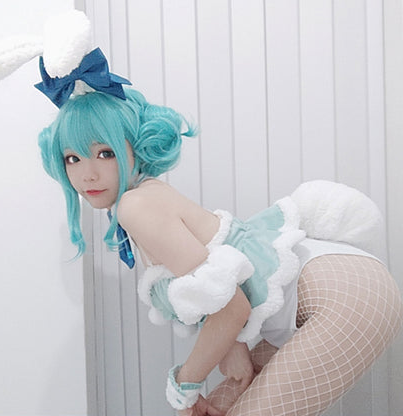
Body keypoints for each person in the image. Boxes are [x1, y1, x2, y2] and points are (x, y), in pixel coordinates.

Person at [36, 53, 402, 416]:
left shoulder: (135, 206)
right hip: (332, 289)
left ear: (134, 147)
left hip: (344, 296)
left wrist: (184, 384)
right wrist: (231, 348)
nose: (87, 174)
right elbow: (223, 295)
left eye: (104, 153)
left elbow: (231, 306)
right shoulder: (144, 198)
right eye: (73, 158)